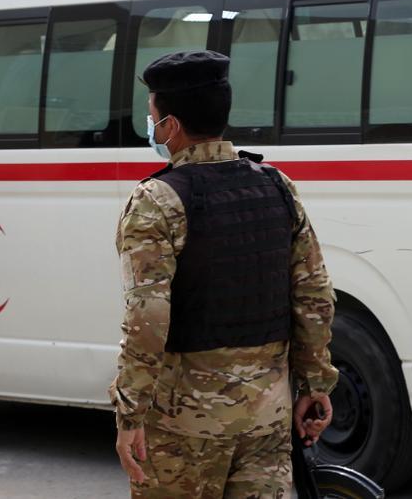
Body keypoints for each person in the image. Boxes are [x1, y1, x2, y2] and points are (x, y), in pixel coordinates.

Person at [110, 50, 338, 499]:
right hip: (267, 418)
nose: (151, 125)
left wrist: (130, 413)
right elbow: (314, 295)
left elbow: (148, 319)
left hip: (185, 426)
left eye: (152, 115)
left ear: (170, 125)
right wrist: (315, 383)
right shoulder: (276, 185)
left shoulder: (157, 200)